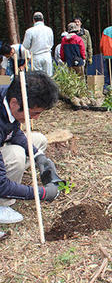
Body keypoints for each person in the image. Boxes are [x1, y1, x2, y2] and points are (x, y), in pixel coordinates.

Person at [0, 71, 60, 224]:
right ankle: (2, 205)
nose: (36, 118)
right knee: (16, 156)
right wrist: (41, 193)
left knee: (39, 140)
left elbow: (13, 132)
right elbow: (1, 185)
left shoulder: (8, 96)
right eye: (34, 113)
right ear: (15, 103)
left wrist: (38, 155)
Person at [22, 12, 54, 76]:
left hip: (36, 56)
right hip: (47, 55)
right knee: (49, 78)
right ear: (43, 20)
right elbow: (51, 43)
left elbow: (26, 46)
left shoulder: (29, 31)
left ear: (34, 20)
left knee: (37, 78)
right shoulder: (49, 30)